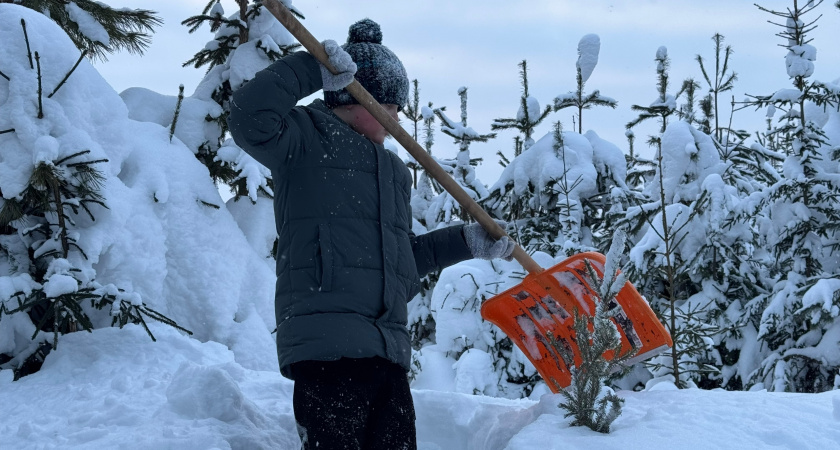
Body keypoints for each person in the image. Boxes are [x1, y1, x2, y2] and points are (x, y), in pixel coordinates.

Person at [228, 18, 515, 450]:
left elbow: (398, 265)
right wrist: (313, 69)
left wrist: (464, 242)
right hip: (328, 346)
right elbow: (249, 117)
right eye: (391, 105)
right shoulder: (304, 138)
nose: (397, 117)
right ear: (356, 97)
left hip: (387, 353)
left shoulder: (394, 172)